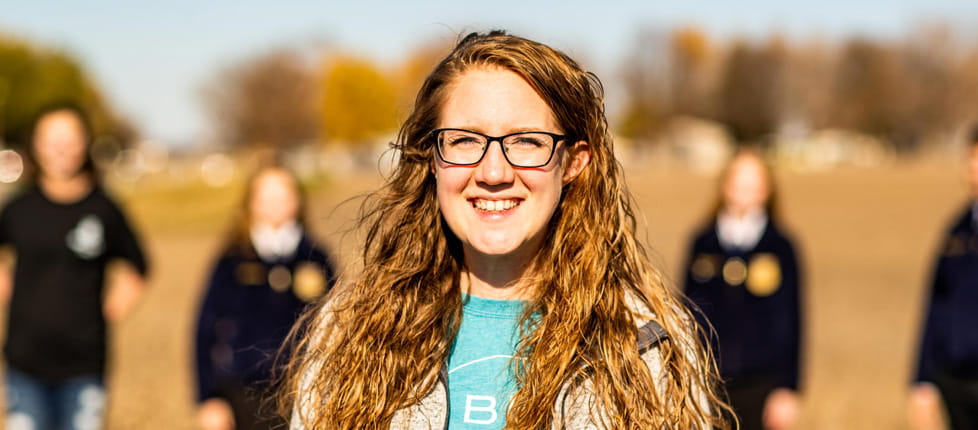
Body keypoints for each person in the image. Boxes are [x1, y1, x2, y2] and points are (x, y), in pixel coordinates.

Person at [280, 31, 729, 429]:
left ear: (573, 162)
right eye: (465, 140)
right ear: (432, 159)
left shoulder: (648, 343)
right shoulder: (348, 332)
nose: (493, 172)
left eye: (526, 141)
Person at [0, 102, 148, 430]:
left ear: (85, 143)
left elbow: (138, 267)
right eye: (51, 140)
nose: (61, 148)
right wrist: (3, 286)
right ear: (36, 145)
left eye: (70, 138)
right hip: (23, 363)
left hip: (84, 366)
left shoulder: (104, 209)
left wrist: (110, 310)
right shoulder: (18, 208)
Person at [195, 165, 337, 430]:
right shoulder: (232, 259)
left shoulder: (316, 258)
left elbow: (337, 326)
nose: (276, 203)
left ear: (298, 199)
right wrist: (208, 398)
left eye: (284, 194)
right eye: (267, 195)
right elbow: (204, 329)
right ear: (251, 202)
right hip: (242, 393)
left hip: (304, 393)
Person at [683, 150, 802, 430]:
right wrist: (685, 374)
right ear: (724, 185)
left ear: (767, 189)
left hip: (763, 382)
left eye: (753, 182)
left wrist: (788, 387)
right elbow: (685, 311)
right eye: (739, 180)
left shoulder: (781, 246)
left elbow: (793, 319)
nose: (745, 189)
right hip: (708, 380)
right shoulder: (703, 243)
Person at [913, 121, 978, 430]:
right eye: (973, 161)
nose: (977, 170)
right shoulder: (957, 229)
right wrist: (922, 380)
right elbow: (936, 305)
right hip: (956, 377)